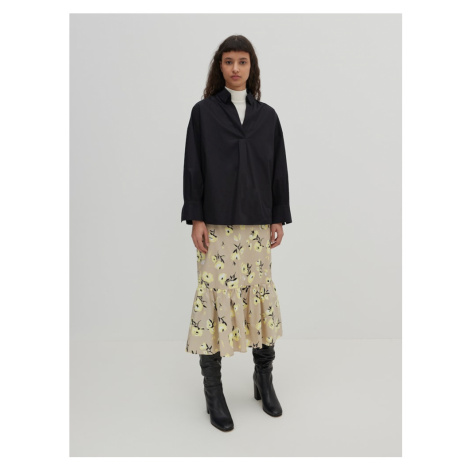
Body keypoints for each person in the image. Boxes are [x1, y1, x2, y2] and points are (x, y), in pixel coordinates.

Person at [181, 35, 292, 432]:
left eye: (242, 61)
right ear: (220, 67)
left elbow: (278, 168)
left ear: (251, 67)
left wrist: (278, 217)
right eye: (228, 61)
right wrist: (196, 218)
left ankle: (264, 378)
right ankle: (213, 391)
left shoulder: (268, 117)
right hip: (215, 225)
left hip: (257, 224)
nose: (235, 68)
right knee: (213, 300)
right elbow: (193, 166)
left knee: (259, 296)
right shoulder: (203, 113)